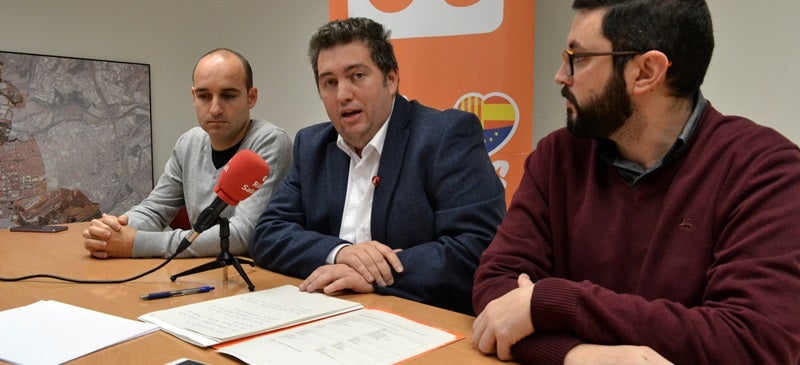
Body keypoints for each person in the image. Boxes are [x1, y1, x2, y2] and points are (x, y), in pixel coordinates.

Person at [472, 1, 800, 364]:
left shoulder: (765, 171)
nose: (561, 76)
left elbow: (752, 342)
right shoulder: (558, 156)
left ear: (646, 72)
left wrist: (552, 302)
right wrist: (577, 356)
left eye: (579, 58)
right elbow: (497, 295)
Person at [249, 17, 505, 315]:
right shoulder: (312, 145)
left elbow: (478, 246)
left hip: (418, 316)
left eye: (357, 76)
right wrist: (341, 253)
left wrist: (374, 275)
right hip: (328, 311)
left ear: (391, 79)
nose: (343, 95)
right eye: (329, 82)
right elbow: (268, 233)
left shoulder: (445, 136)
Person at [82, 48, 292, 259]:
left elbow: (243, 235)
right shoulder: (189, 142)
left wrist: (136, 244)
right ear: (194, 97)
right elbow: (156, 209)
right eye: (204, 96)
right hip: (197, 270)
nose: (215, 109)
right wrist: (115, 230)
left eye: (228, 95)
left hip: (251, 273)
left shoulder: (270, 141)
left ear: (251, 97)